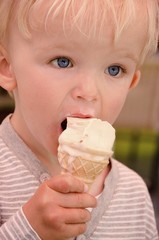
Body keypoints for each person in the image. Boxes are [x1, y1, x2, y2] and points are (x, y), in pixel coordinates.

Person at [0, 1, 158, 239]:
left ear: (132, 82)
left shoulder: (134, 194)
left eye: (114, 69)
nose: (89, 91)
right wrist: (28, 230)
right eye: (63, 61)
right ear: (7, 68)